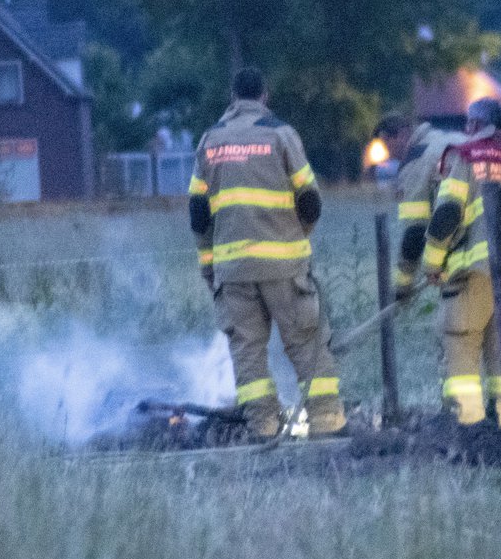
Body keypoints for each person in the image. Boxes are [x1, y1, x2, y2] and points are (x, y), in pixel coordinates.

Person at [189, 68, 347, 440]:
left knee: (247, 353)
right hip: (285, 265)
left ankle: (263, 427)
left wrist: (209, 266)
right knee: (306, 345)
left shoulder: (210, 141)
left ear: (233, 96)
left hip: (233, 270)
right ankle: (326, 423)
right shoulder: (281, 135)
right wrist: (297, 238)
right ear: (264, 96)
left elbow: (198, 212)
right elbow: (310, 200)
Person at [420, 98, 501, 425]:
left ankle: (469, 425)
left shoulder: (465, 158)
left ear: (475, 126)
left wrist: (432, 264)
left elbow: (447, 214)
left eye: (468, 125)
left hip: (473, 277)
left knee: (461, 348)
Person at [375, 114, 468, 302]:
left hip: (464, 261)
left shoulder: (416, 161)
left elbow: (415, 231)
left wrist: (402, 286)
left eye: (386, 144)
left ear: (402, 134)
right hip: (496, 245)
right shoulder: (448, 140)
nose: (387, 154)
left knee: (455, 328)